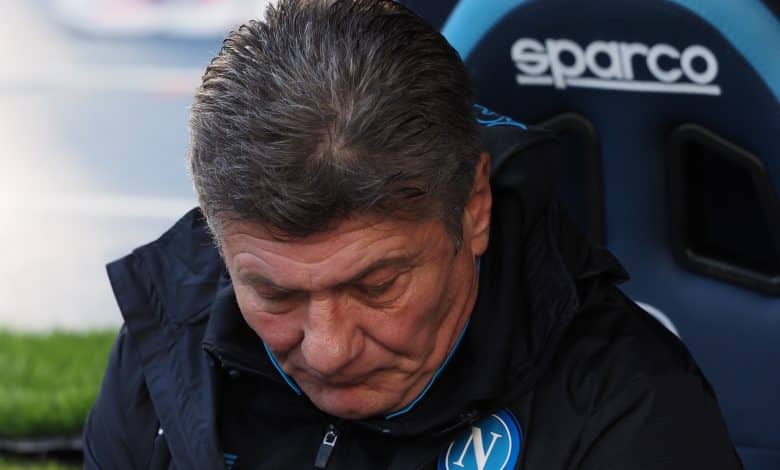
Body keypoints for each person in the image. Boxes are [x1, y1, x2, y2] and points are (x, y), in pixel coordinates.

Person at [83, 1, 744, 469]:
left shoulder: (632, 415)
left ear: (474, 207)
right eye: (275, 295)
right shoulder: (164, 347)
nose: (329, 351)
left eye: (376, 285)